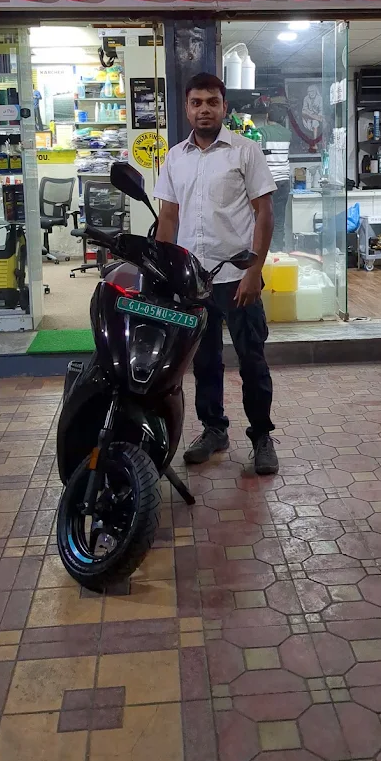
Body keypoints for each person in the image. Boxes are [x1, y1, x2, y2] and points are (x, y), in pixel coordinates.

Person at [153, 72, 279, 475]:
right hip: (194, 281)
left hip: (238, 278)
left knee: (252, 361)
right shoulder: (175, 157)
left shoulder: (245, 151)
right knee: (204, 362)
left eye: (212, 102)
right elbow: (168, 218)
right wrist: (164, 273)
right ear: (187, 108)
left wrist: (254, 270)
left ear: (225, 107)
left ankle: (261, 436)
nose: (204, 109)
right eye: (196, 103)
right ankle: (213, 430)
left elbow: (264, 213)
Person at [249, 97, 292, 252]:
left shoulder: (262, 132)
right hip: (284, 180)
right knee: (279, 220)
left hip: (269, 182)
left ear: (267, 116)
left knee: (264, 219)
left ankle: (265, 253)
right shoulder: (288, 133)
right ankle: (278, 251)